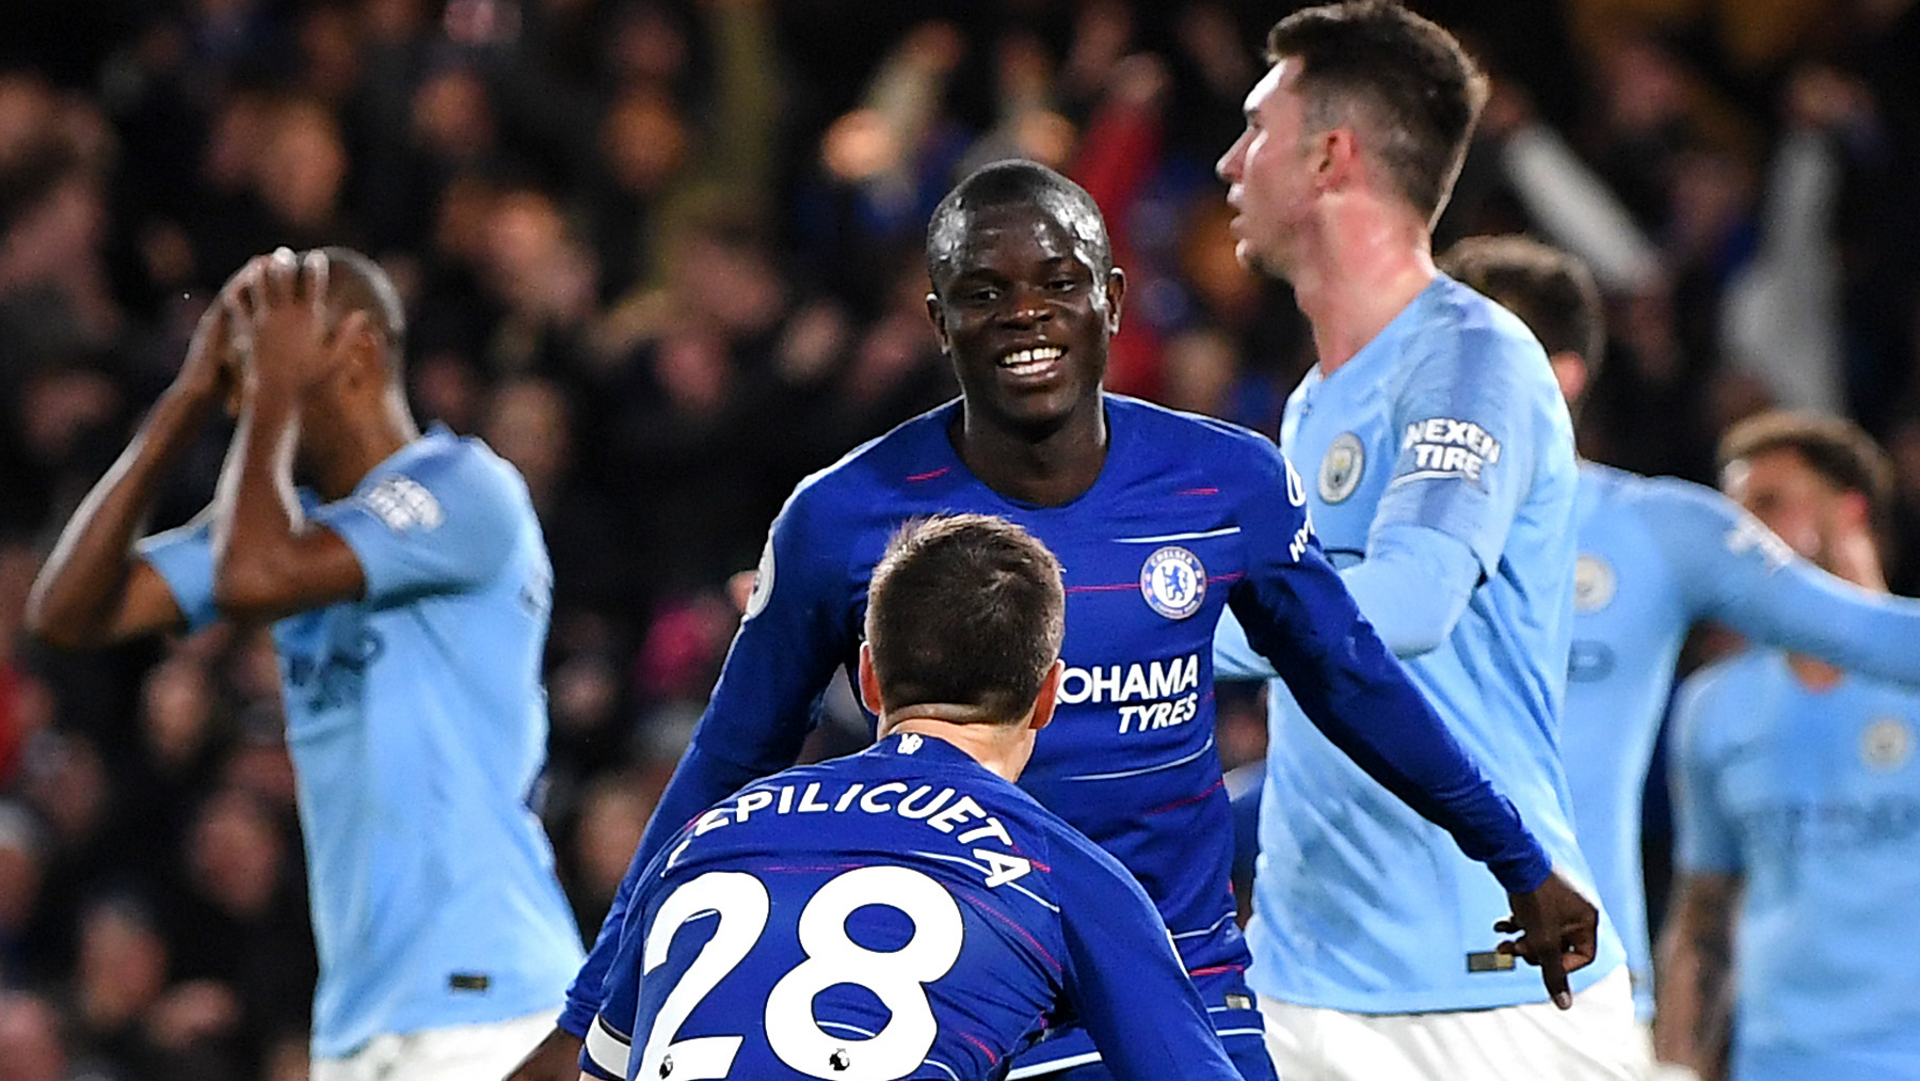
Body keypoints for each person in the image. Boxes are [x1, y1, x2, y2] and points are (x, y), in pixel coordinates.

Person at [512, 159, 1597, 1081]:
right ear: (937, 320)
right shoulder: (841, 516)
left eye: (1058, 282)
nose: (1025, 312)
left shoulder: (1224, 484)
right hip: (956, 1002)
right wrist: (588, 1009)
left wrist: (1516, 851)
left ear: (1113, 299)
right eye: (983, 291)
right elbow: (726, 763)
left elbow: (1354, 678)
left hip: (1180, 979)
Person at [26, 247, 583, 1079]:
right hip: (358, 1018)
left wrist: (272, 397)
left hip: (484, 994)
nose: (250, 378)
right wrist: (184, 402)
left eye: (278, 347)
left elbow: (254, 578)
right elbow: (67, 613)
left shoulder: (464, 485)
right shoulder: (295, 527)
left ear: (358, 349)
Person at [1211, 5, 1637, 1078]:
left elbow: (1410, 599)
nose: (1229, 161)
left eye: (1256, 129)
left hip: (1488, 978)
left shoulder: (1473, 357)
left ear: (1330, 156)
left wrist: (1163, 612)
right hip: (1306, 976)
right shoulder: (1315, 400)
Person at [581, 513, 1250, 1081]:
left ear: (869, 678)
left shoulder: (701, 839)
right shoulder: (1060, 870)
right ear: (1048, 694)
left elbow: (599, 1071)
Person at [1438, 234, 1920, 1023]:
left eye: (1460, 353)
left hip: (1576, 996)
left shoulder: (1655, 530)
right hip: (1378, 988)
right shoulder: (1367, 530)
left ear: (1560, 376)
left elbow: (1873, 633)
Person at [1659, 413, 1920, 1081]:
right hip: (1776, 1062)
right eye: (1734, 513)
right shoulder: (1713, 705)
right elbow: (1703, 914)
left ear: (1851, 509)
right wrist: (1678, 1066)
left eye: (1769, 503)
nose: (1741, 535)